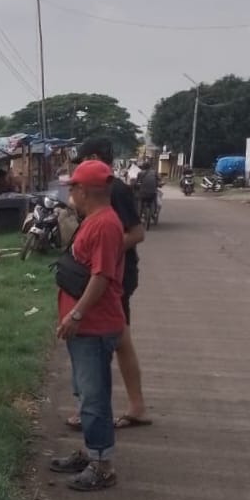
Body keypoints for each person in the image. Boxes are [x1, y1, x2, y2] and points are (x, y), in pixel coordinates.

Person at [49, 159, 126, 491]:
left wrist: (76, 314)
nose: (70, 193)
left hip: (94, 326)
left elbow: (101, 276)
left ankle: (102, 464)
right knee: (84, 392)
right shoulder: (93, 220)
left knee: (94, 396)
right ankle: (91, 451)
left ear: (84, 191)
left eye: (72, 187)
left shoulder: (106, 224)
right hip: (84, 328)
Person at [69, 139, 149, 429]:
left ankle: (97, 409)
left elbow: (137, 233)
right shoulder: (102, 195)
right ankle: (122, 405)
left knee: (114, 340)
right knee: (118, 340)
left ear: (93, 159)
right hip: (108, 273)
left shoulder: (116, 191)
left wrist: (104, 253)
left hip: (116, 276)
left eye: (81, 162)